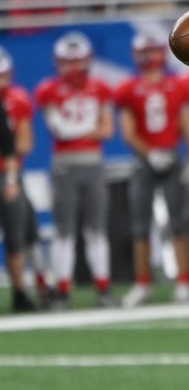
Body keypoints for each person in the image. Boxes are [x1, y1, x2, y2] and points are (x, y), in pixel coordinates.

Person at [116, 30, 189, 307]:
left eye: (155, 51)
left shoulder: (177, 86)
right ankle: (142, 284)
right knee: (140, 226)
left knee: (179, 224)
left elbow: (188, 126)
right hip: (145, 161)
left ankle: (185, 282)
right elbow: (128, 132)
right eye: (147, 51)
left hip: (172, 159)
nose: (152, 57)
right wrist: (149, 153)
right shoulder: (129, 89)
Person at [34, 32, 115, 309]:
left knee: (96, 231)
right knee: (64, 232)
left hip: (92, 163)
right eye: (68, 62)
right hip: (65, 165)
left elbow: (107, 130)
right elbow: (59, 129)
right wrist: (89, 130)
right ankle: (63, 292)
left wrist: (82, 132)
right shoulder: (49, 89)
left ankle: (103, 289)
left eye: (77, 61)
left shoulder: (100, 88)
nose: (72, 68)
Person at [0, 48, 38, 312]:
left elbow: (12, 145)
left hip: (5, 175)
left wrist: (12, 179)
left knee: (17, 235)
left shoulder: (15, 101)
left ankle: (21, 292)